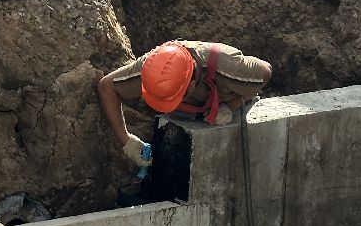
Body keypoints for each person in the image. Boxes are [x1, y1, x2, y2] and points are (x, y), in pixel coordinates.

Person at [97, 40, 273, 167]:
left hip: (226, 100)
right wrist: (127, 141)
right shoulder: (151, 68)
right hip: (191, 111)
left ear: (190, 87)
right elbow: (107, 87)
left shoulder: (229, 66)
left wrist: (231, 106)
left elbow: (266, 72)